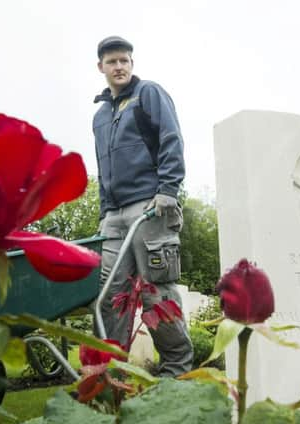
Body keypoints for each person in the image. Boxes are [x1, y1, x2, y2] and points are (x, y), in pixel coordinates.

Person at [92, 35, 193, 376]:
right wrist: (105, 212)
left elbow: (171, 138)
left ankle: (176, 371)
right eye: (112, 62)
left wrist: (168, 189)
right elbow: (103, 166)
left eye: (124, 60)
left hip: (151, 206)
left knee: (156, 293)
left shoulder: (148, 93)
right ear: (101, 67)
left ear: (131, 64)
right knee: (110, 297)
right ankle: (109, 375)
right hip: (115, 216)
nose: (118, 66)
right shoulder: (100, 116)